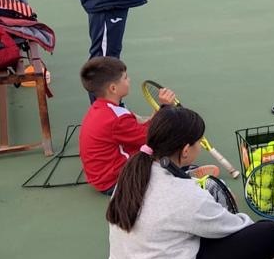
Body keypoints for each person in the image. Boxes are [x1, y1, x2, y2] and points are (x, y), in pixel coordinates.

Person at [107, 106, 274, 259]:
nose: (200, 147)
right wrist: (226, 208)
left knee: (202, 228)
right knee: (269, 233)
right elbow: (238, 227)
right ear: (185, 151)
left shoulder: (132, 173)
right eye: (199, 143)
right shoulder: (184, 195)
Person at [78, 57, 215, 193]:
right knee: (164, 145)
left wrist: (161, 109)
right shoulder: (116, 119)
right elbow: (152, 136)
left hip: (101, 177)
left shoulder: (103, 108)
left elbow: (143, 129)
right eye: (125, 78)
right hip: (115, 181)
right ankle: (186, 179)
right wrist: (165, 107)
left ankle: (182, 172)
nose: (129, 80)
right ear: (113, 88)